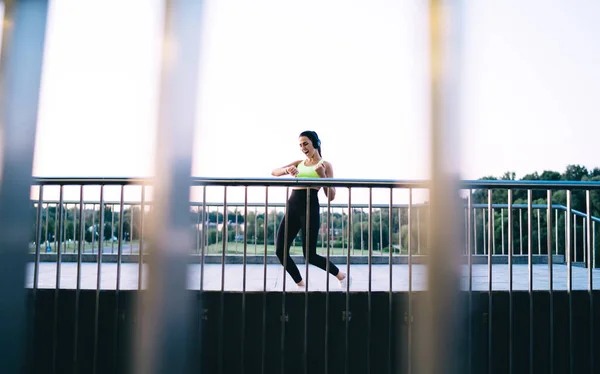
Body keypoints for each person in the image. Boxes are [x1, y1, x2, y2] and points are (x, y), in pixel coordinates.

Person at [271, 130, 349, 289]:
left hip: (310, 207)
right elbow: (274, 172)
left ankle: (340, 275)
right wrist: (287, 170)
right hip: (292, 206)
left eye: (305, 143)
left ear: (316, 143)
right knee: (280, 250)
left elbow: (331, 195)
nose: (303, 147)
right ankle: (301, 284)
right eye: (300, 145)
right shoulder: (299, 162)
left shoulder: (325, 165)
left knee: (310, 255)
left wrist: (323, 177)